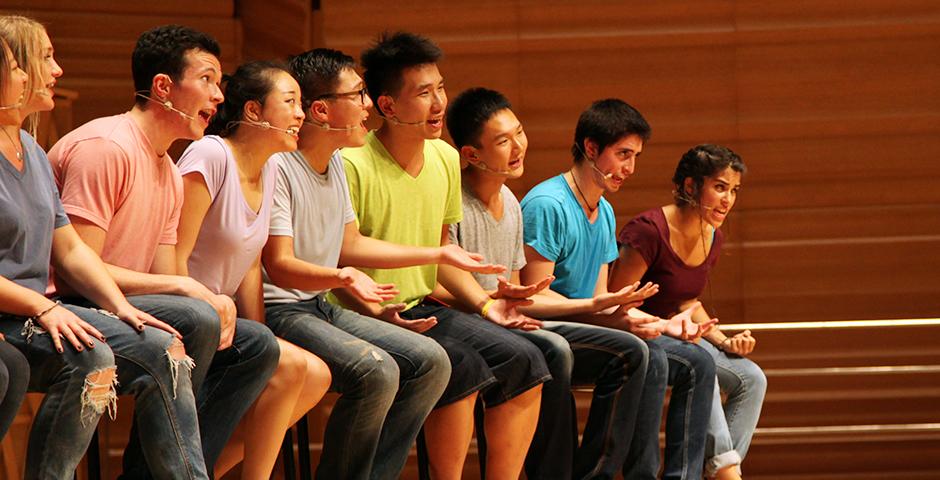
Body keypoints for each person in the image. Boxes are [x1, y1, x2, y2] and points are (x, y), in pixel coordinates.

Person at [46, 24, 279, 478]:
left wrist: (201, 295)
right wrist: (190, 291)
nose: (218, 96)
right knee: (198, 316)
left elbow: (167, 277)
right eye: (207, 79)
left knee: (257, 346)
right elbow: (76, 268)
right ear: (163, 87)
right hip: (71, 306)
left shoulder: (169, 169)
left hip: (122, 303)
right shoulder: (106, 147)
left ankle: (148, 473)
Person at [0, 17, 210, 479]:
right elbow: (67, 268)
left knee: (165, 347)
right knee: (91, 357)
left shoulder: (32, 149)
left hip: (40, 310)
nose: (56, 70)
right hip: (15, 314)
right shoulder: (103, 146)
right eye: (42, 59)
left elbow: (71, 248)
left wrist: (122, 308)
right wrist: (44, 307)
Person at [339, 32, 551, 480]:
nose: (439, 103)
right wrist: (376, 306)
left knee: (527, 358)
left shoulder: (445, 158)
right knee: (463, 365)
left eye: (440, 88)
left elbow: (440, 258)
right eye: (422, 93)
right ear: (387, 105)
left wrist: (487, 304)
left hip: (423, 304)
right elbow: (341, 255)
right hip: (367, 309)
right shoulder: (353, 162)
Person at [442, 86, 675, 479]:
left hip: (510, 318)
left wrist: (645, 318)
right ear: (471, 154)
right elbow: (519, 293)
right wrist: (592, 308)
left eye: (519, 133)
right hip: (479, 320)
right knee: (559, 350)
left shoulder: (515, 204)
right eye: (623, 155)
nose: (517, 146)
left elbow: (519, 290)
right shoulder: (533, 203)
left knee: (660, 355)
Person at [260, 48, 454, 480]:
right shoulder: (280, 166)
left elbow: (351, 242)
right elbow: (279, 265)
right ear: (322, 110)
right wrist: (342, 276)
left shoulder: (333, 163)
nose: (368, 105)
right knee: (377, 370)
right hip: (281, 310)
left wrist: (436, 254)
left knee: (431, 362)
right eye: (359, 94)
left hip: (318, 305)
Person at [520, 98, 716, 480]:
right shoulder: (548, 203)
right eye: (623, 154)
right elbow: (531, 295)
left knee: (698, 360)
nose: (630, 168)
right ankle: (601, 474)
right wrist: (607, 312)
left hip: (586, 323)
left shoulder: (605, 210)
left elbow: (604, 303)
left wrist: (665, 325)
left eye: (636, 156)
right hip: (544, 329)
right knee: (641, 355)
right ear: (591, 148)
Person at [175, 60, 331, 478]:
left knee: (313, 374)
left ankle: (201, 471)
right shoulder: (209, 155)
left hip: (226, 321)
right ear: (253, 112)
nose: (301, 113)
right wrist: (207, 313)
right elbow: (172, 252)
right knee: (294, 368)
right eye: (291, 102)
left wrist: (260, 331)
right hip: (185, 313)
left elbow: (249, 260)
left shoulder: (273, 165)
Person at [610, 144, 766, 480]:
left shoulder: (714, 236)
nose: (728, 199)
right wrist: (669, 327)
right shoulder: (648, 231)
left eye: (734, 190)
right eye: (720, 187)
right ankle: (726, 471)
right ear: (691, 186)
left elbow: (687, 303)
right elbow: (614, 302)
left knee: (752, 378)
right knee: (700, 361)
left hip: (681, 335)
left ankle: (723, 467)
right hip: (638, 333)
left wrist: (725, 341)